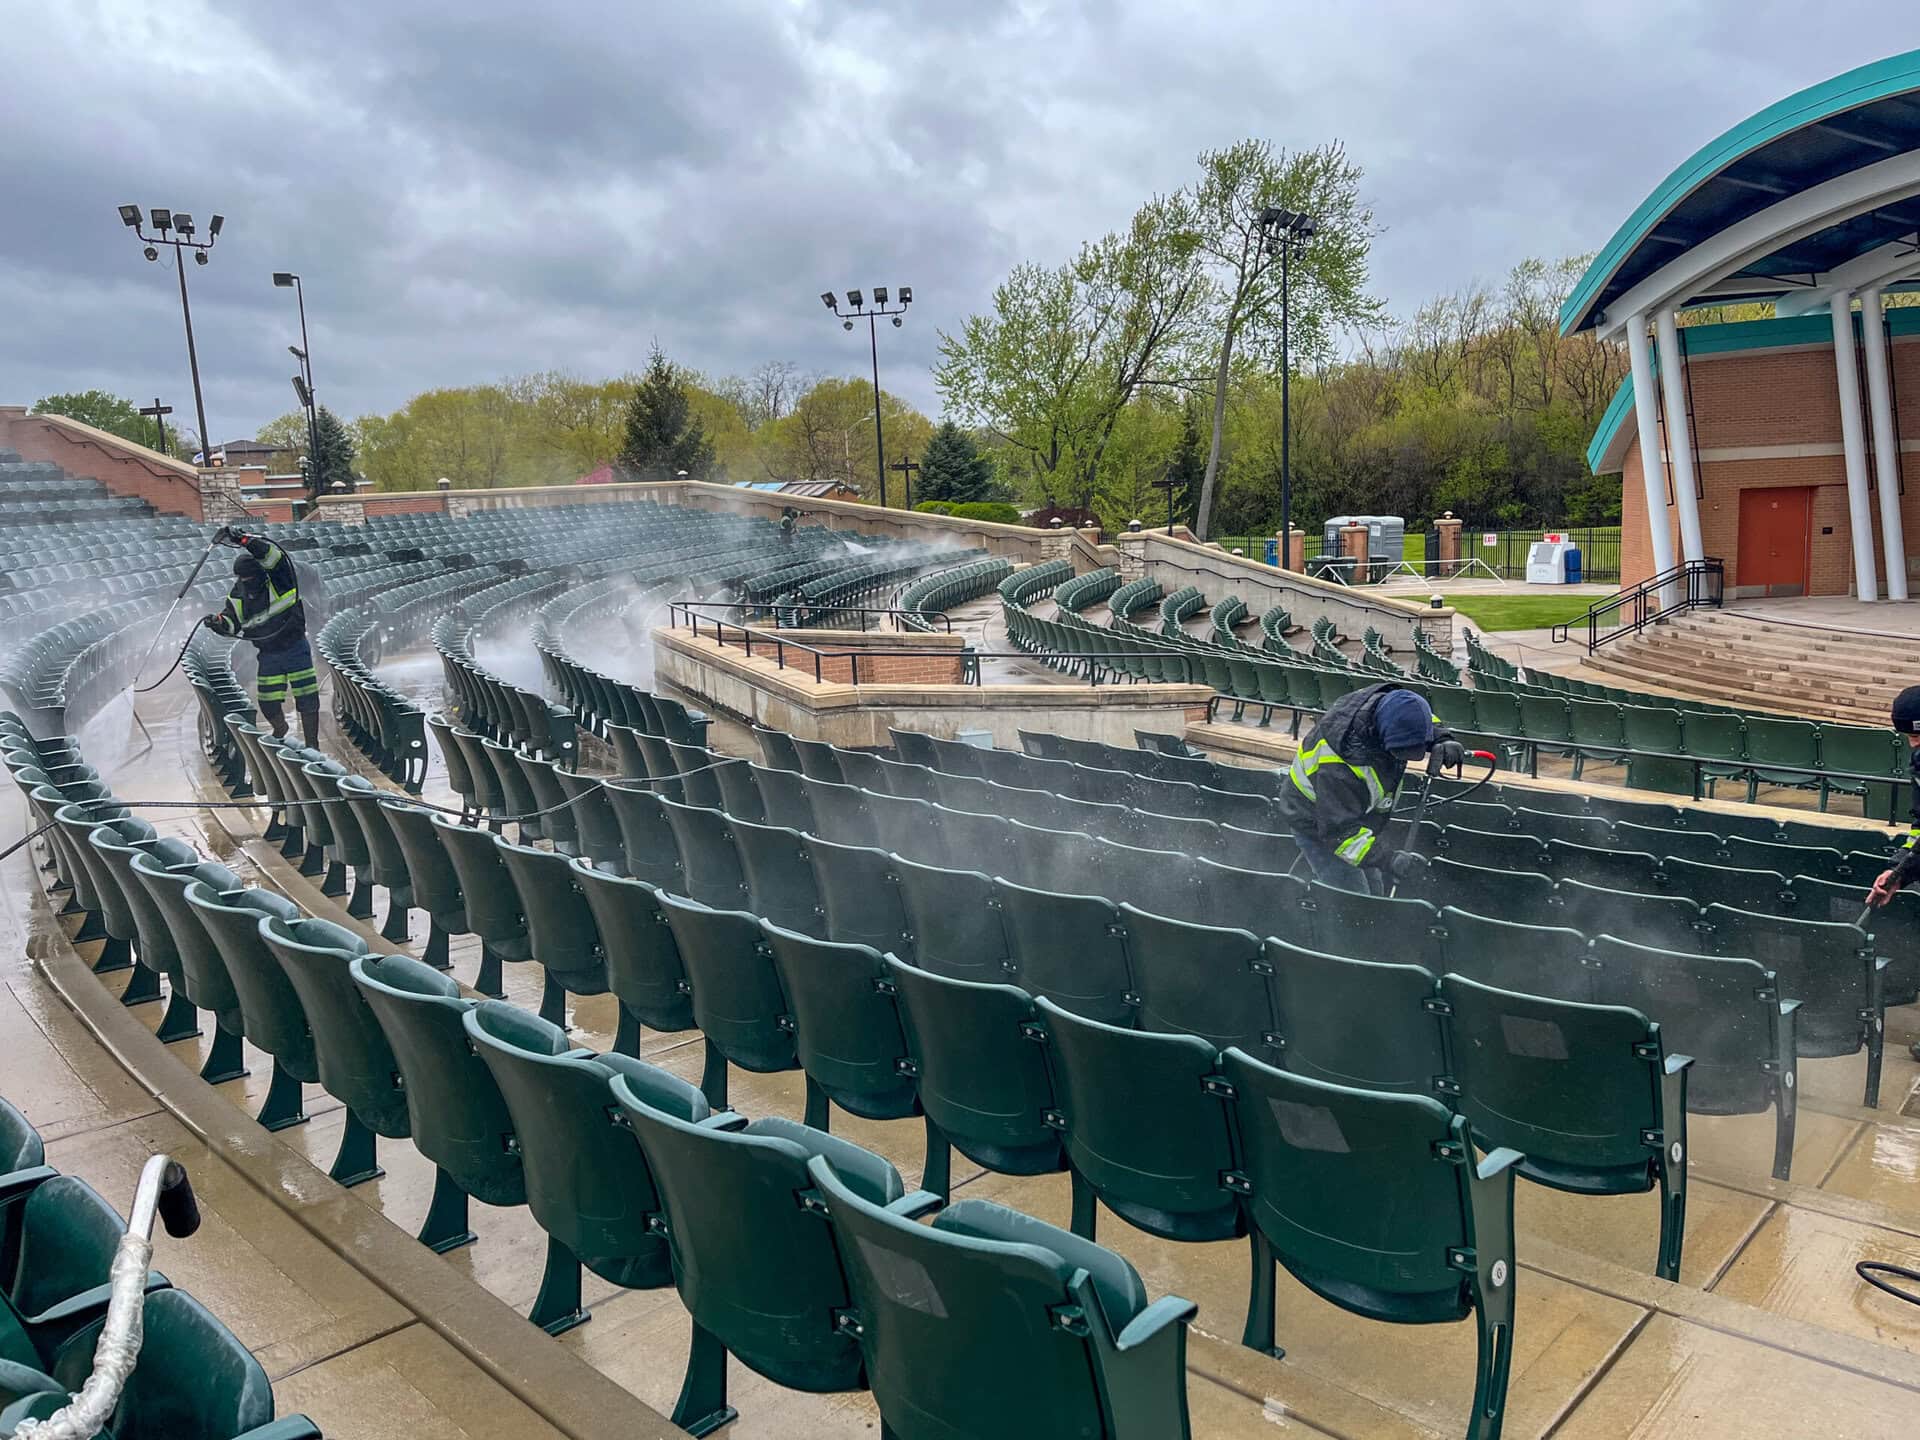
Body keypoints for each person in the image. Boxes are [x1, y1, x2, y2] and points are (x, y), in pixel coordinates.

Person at [1278, 681, 1462, 896]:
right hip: (1318, 824)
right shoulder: (1338, 766)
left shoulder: (1392, 706)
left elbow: (1418, 716)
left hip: (1356, 817)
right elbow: (1339, 833)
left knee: (1374, 889)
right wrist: (1387, 859)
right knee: (1356, 901)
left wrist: (1441, 737)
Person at [201, 525, 320, 746]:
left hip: (295, 646)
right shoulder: (238, 595)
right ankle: (280, 728)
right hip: (268, 654)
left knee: (307, 698)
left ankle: (313, 744)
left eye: (250, 578)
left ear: (260, 574)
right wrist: (217, 623)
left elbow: (273, 556)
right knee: (267, 701)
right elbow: (231, 622)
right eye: (242, 579)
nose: (247, 582)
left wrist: (245, 541)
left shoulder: (279, 578)